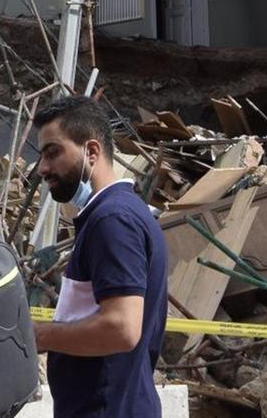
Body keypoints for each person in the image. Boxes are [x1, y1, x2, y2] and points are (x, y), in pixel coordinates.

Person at [29, 95, 167, 418]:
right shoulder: (118, 213)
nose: (42, 168)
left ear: (91, 152)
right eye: (41, 156)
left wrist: (40, 335)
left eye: (53, 153)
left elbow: (122, 327)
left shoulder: (112, 221)